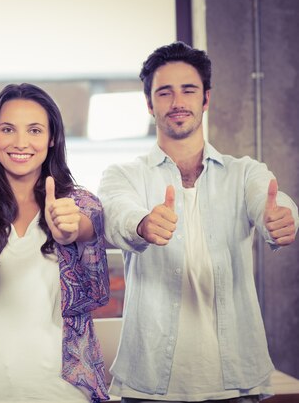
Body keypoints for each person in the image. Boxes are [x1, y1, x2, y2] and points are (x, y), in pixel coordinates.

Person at [97, 41, 299, 403]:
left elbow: (267, 198)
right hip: (149, 384)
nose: (177, 102)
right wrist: (142, 224)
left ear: (206, 99)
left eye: (188, 90)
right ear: (149, 104)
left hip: (237, 381)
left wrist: (282, 217)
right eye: (164, 92)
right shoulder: (124, 175)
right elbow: (115, 213)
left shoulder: (244, 172)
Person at [0, 83, 110, 403]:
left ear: (52, 138)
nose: (20, 142)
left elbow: (87, 227)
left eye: (34, 130)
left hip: (62, 389)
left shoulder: (79, 204)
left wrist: (70, 232)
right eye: (7, 129)